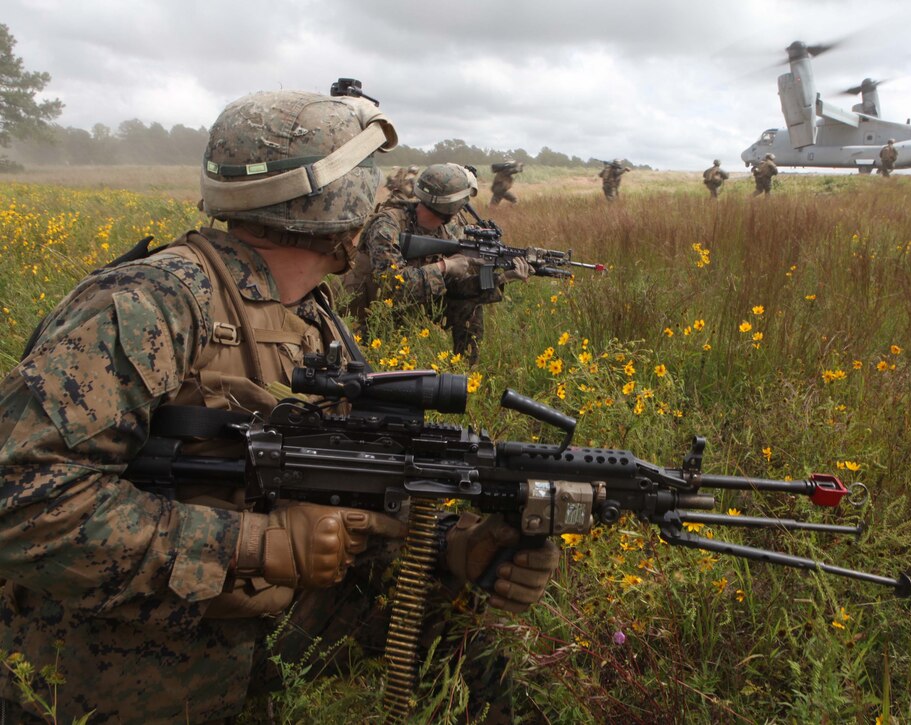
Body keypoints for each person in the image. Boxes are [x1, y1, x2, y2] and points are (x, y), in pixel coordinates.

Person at [0, 90, 558, 723]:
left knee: (459, 645)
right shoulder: (149, 305)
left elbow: (343, 490)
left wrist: (453, 547)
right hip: (111, 662)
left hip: (251, 618)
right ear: (340, 198)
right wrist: (249, 544)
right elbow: (18, 499)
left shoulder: (308, 314)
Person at [341, 162, 533, 364]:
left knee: (469, 304)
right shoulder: (387, 226)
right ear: (451, 207)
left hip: (412, 305)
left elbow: (456, 290)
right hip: (368, 311)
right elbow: (393, 286)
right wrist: (445, 267)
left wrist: (503, 277)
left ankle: (464, 371)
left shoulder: (447, 232)